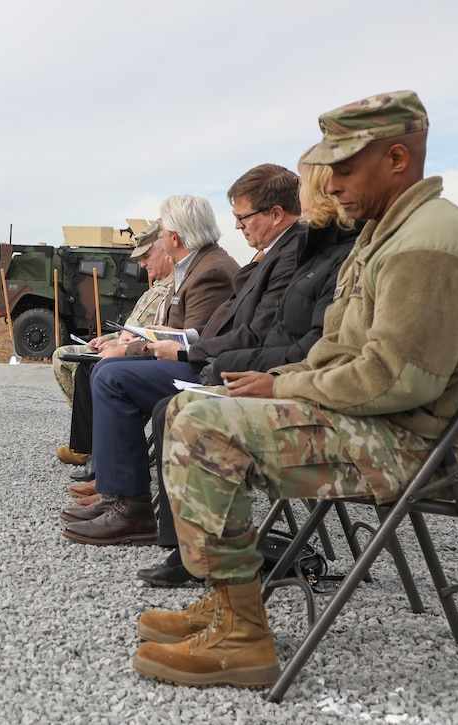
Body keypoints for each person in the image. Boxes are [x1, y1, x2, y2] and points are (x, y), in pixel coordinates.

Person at [133, 90, 458, 689]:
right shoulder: (383, 234)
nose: (330, 182)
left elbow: (395, 378)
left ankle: (242, 636)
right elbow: (336, 353)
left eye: (345, 167)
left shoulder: (430, 238)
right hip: (376, 422)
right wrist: (282, 384)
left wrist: (281, 386)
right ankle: (227, 605)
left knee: (199, 424)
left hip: (414, 443)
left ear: (397, 158)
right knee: (196, 406)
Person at [136, 152, 361, 586]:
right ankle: (202, 562)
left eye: (311, 192)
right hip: (282, 372)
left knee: (179, 410)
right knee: (164, 400)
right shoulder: (311, 255)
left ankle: (197, 558)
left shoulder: (316, 255)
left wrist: (234, 368)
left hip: (320, 396)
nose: (310, 201)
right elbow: (284, 336)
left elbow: (309, 346)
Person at [62, 170, 303, 546]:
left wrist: (162, 348)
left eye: (243, 218)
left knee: (112, 376)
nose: (237, 227)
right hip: (214, 359)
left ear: (274, 214)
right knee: (106, 370)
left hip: (221, 366)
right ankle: (117, 494)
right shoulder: (245, 260)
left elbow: (240, 333)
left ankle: (129, 505)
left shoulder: (220, 268)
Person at [52, 222, 173, 467]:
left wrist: (120, 347)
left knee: (93, 368)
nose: (143, 265)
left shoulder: (173, 286)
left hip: (142, 353)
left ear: (166, 250)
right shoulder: (157, 287)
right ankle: (93, 436)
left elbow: (156, 334)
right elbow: (133, 327)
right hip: (127, 346)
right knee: (64, 357)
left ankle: (95, 443)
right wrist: (108, 339)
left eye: (147, 256)